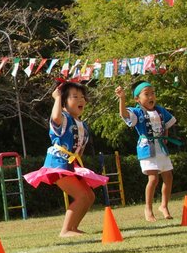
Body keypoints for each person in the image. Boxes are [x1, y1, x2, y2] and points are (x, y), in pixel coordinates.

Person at [23, 81, 109, 237]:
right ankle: (66, 230)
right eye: (74, 97)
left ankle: (73, 227)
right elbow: (55, 117)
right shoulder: (63, 118)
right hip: (58, 164)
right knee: (81, 196)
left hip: (70, 165)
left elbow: (80, 148)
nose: (80, 100)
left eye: (82, 97)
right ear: (64, 103)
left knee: (89, 196)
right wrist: (56, 98)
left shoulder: (82, 124)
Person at [117, 82, 178, 221]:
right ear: (137, 99)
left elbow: (167, 124)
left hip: (161, 146)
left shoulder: (160, 110)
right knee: (153, 178)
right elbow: (125, 114)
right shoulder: (137, 112)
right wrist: (122, 98)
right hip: (147, 147)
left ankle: (164, 205)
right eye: (147, 94)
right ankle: (148, 209)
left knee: (168, 177)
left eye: (153, 93)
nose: (151, 96)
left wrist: (166, 136)